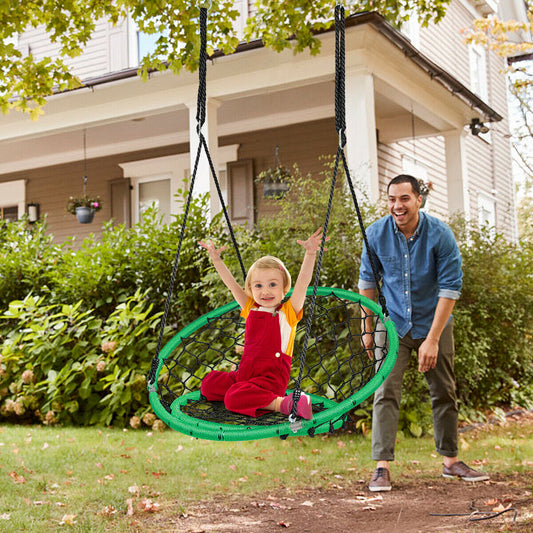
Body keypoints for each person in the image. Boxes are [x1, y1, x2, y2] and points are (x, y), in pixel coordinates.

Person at [358, 174, 490, 492]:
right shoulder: (375, 233)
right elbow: (367, 283)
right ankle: (381, 468)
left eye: (404, 198)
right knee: (385, 392)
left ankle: (451, 462)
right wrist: (366, 328)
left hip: (435, 322)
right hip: (393, 325)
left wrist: (432, 338)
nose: (397, 205)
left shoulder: (440, 234)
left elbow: (450, 288)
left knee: (444, 391)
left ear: (419, 199)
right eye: (391, 199)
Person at [198, 228, 327, 420]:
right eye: (258, 285)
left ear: (284, 288)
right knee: (209, 384)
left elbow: (302, 284)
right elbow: (232, 285)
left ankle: (284, 403)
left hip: (270, 382)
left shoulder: (287, 313)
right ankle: (247, 395)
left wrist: (310, 254)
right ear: (251, 289)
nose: (265, 291)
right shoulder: (251, 308)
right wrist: (217, 261)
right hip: (243, 376)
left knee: (233, 398)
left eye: (272, 284)